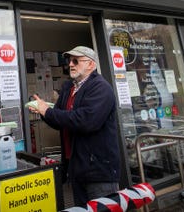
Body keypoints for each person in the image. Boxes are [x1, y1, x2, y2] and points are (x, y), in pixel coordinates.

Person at [29, 46, 120, 207]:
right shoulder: (68, 88)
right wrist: (42, 112)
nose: (70, 64)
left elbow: (86, 121)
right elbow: (59, 120)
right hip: (76, 169)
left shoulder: (101, 88)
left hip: (98, 172)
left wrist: (48, 111)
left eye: (76, 60)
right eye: (69, 60)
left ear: (91, 64)